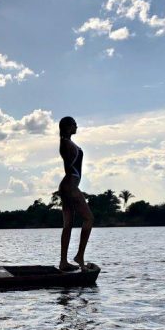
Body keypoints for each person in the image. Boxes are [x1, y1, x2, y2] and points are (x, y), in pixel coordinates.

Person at [57, 116, 93, 271]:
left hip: (67, 185)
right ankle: (79, 256)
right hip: (70, 185)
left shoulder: (68, 142)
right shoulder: (65, 143)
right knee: (89, 219)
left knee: (68, 225)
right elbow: (67, 158)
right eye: (74, 124)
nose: (77, 126)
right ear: (67, 127)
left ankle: (63, 262)